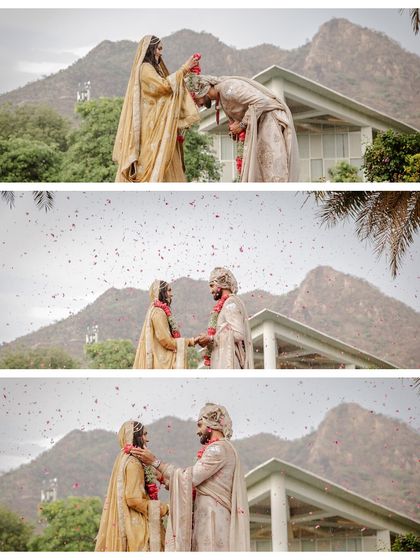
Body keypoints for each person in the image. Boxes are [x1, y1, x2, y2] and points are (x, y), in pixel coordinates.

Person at [132, 403, 250, 552]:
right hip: (209, 516)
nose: (197, 431)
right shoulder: (219, 448)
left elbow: (191, 477)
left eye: (199, 425)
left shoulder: (218, 449)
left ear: (211, 425)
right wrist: (162, 477)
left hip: (213, 519)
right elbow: (192, 484)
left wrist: (155, 462)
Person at [113, 35, 200, 182]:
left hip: (157, 125)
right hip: (151, 127)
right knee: (154, 162)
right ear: (150, 50)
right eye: (159, 49)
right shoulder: (145, 68)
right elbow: (164, 87)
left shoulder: (154, 68)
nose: (161, 52)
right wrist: (185, 68)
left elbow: (167, 85)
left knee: (165, 159)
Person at [187, 74, 299, 182]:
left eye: (195, 100)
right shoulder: (223, 94)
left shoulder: (227, 88)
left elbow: (261, 102)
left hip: (269, 120)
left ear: (202, 90)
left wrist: (241, 125)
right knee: (262, 172)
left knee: (271, 170)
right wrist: (238, 126)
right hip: (262, 123)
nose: (197, 105)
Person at [95, 420, 168, 551]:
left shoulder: (126, 459)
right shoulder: (133, 463)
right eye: (144, 435)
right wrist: (163, 509)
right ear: (134, 437)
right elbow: (133, 500)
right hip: (137, 529)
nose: (147, 439)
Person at [196, 267, 254, 369]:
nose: (210, 291)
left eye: (212, 286)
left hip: (229, 364)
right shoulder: (223, 306)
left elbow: (239, 334)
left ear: (221, 284)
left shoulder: (230, 303)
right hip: (222, 362)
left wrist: (210, 338)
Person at [133, 279, 197, 369]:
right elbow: (166, 341)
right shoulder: (158, 312)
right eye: (169, 290)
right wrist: (191, 341)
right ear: (161, 292)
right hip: (161, 364)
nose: (171, 294)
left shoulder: (158, 311)